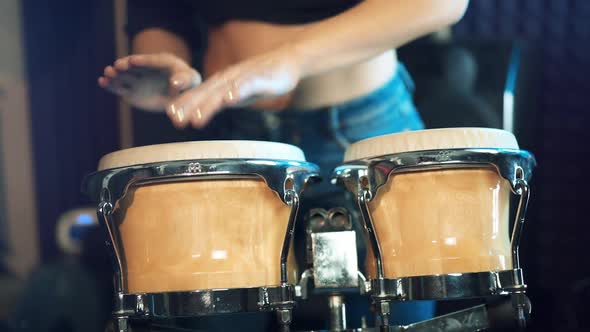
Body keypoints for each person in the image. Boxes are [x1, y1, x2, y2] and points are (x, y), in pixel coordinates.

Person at [98, 0, 470, 330]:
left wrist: (289, 59)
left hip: (361, 132)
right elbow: (161, 12)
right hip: (232, 138)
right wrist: (170, 69)